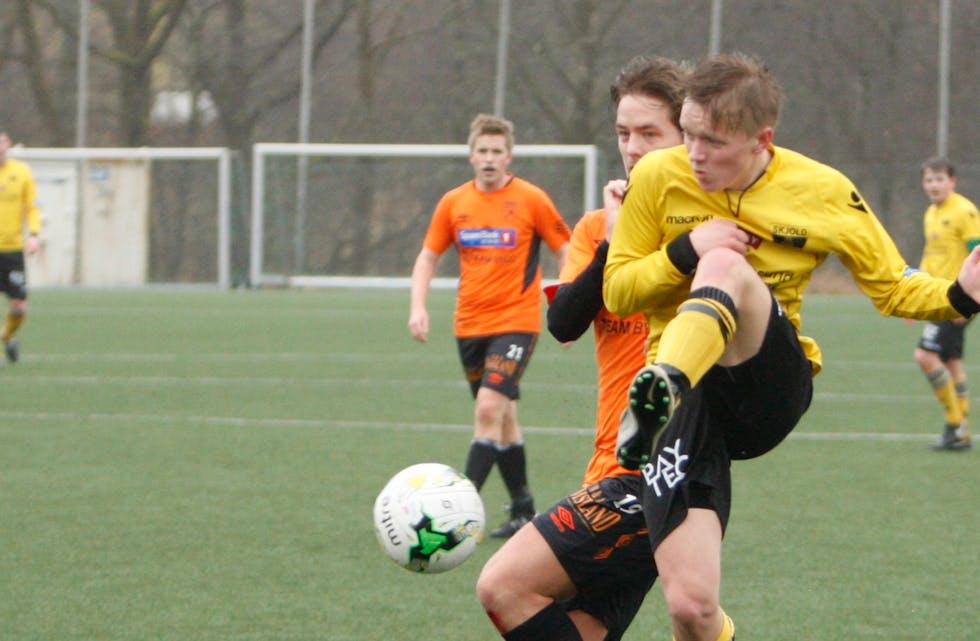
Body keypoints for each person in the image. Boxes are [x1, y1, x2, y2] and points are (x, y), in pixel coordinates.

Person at [603, 52, 980, 641]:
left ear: (762, 140)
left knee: (726, 262)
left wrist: (961, 295)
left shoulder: (824, 190)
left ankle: (660, 390)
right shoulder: (658, 176)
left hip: (768, 385)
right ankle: (665, 394)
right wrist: (684, 249)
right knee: (690, 607)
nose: (695, 154)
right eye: (691, 134)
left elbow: (893, 287)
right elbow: (620, 292)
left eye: (715, 141)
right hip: (692, 410)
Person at [476, 55, 688, 641]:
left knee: (503, 586)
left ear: (686, 135)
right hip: (603, 472)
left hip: (657, 475)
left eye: (651, 132)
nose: (633, 146)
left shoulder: (705, 230)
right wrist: (613, 245)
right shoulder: (597, 226)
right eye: (624, 133)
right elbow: (565, 322)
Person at [408, 113, 571, 538]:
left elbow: (566, 249)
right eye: (482, 151)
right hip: (468, 325)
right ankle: (523, 509)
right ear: (471, 155)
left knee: (487, 410)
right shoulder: (454, 203)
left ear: (509, 156)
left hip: (517, 322)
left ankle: (455, 514)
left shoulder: (532, 199)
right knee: (503, 418)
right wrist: (418, 306)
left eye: (497, 151)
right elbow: (428, 257)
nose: (489, 158)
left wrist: (566, 305)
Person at [912, 157, 980, 451]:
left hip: (956, 299)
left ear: (952, 181)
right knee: (951, 362)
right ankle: (961, 432)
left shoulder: (964, 211)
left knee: (925, 356)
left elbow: (977, 256)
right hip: (936, 296)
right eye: (929, 180)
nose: (934, 185)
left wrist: (969, 302)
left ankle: (955, 425)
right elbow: (930, 254)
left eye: (939, 179)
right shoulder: (931, 213)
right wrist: (914, 292)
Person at [0, 128, 42, 365]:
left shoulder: (22, 172)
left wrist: (34, 235)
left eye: (1, 142)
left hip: (13, 250)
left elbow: (32, 206)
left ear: (8, 144)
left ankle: (6, 336)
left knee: (19, 308)